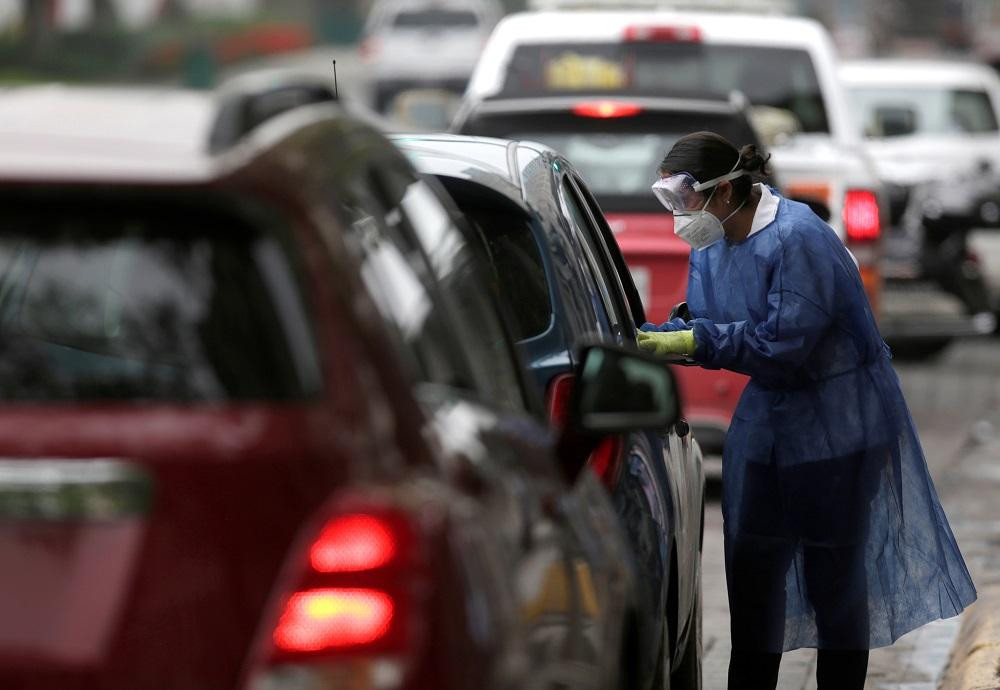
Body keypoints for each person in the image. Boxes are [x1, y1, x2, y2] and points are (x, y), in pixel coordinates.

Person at [637, 132, 976, 690]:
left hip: (838, 426)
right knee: (752, 578)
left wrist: (691, 343)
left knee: (832, 579)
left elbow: (782, 343)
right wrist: (663, 335)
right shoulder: (715, 243)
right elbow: (708, 317)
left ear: (724, 191)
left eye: (684, 197)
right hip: (769, 420)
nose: (679, 214)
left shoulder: (798, 239)